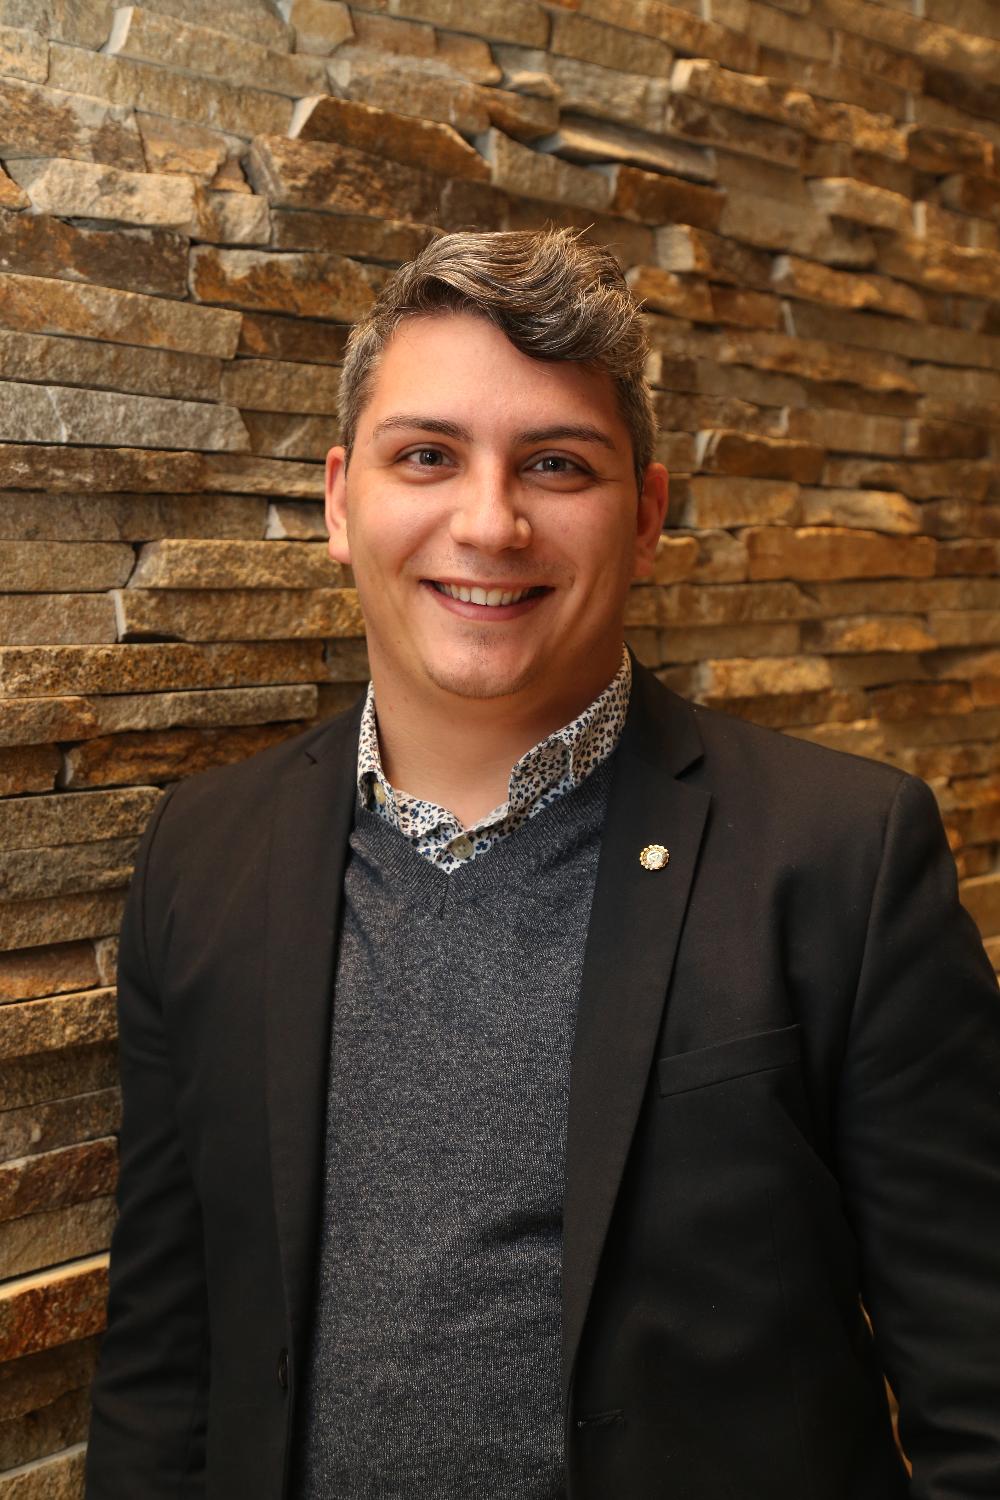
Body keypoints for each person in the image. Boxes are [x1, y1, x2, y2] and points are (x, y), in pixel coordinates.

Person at [85, 228, 1000, 1500]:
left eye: (556, 464)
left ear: (648, 516)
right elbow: (162, 1363)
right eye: (427, 456)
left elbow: (978, 1377)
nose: (490, 522)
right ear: (341, 502)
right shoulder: (204, 854)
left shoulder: (845, 855)